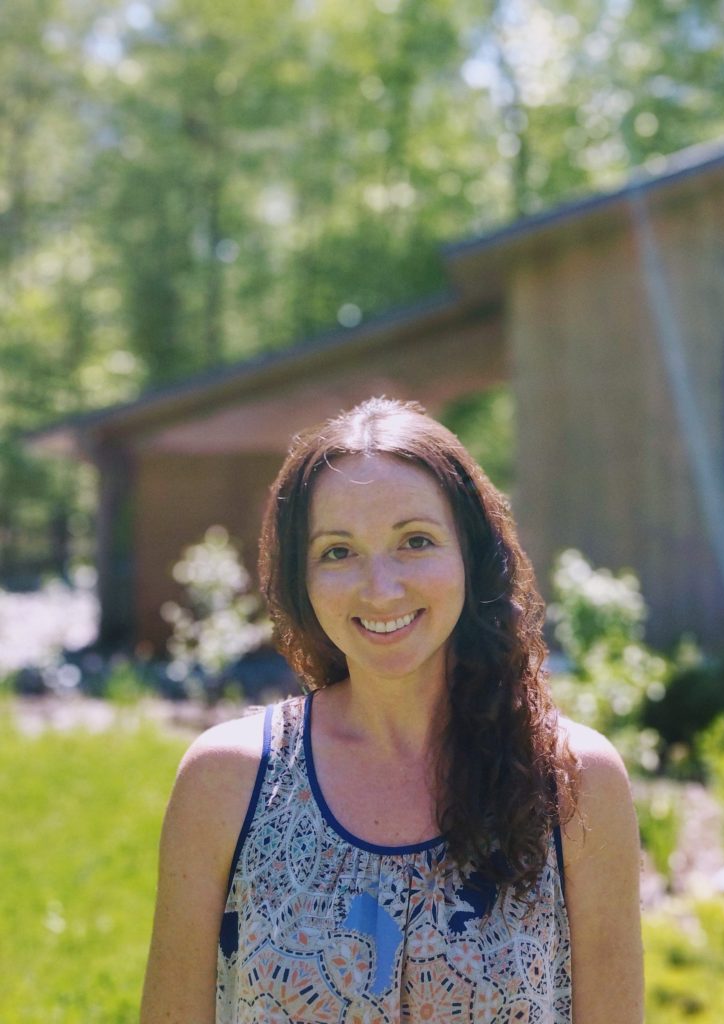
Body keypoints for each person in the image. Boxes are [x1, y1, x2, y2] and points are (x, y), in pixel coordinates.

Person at [141, 397, 643, 1024]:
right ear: (303, 579)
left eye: (415, 541)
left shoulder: (575, 782)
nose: (380, 589)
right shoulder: (225, 782)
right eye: (338, 551)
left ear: (473, 556)